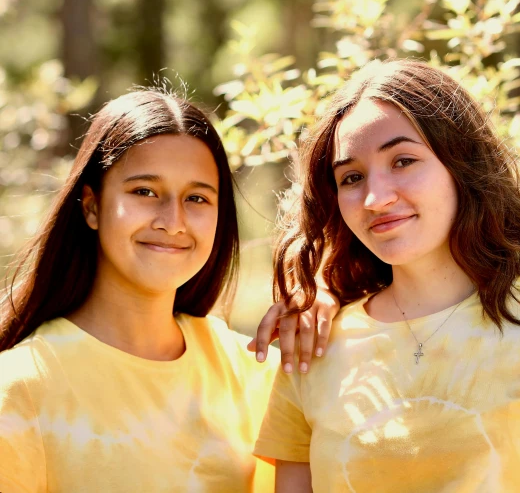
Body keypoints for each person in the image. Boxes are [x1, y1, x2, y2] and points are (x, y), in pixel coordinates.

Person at [0, 88, 338, 493]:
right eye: (144, 191)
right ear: (91, 206)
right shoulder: (21, 388)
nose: (173, 221)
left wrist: (337, 308)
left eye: (196, 198)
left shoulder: (251, 370)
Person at [255, 59, 520, 493]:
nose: (376, 198)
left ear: (461, 163)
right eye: (352, 177)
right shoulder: (311, 344)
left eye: (403, 160)